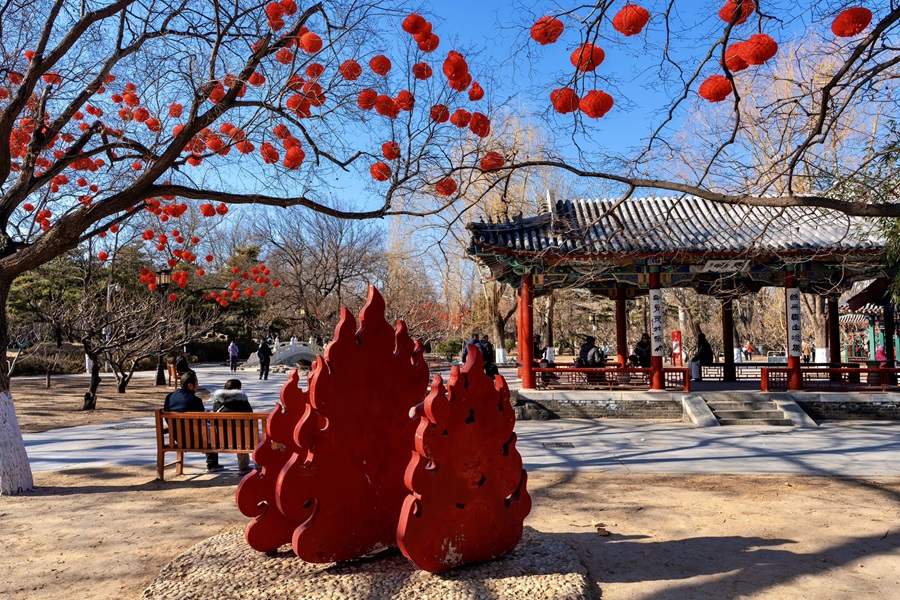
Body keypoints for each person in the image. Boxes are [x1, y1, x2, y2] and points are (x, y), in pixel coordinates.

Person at [163, 371, 222, 472]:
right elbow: (203, 420)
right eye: (196, 383)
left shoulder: (169, 397)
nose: (197, 385)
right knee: (210, 429)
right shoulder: (195, 400)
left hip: (177, 437)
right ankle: (212, 464)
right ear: (190, 385)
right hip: (195, 439)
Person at [211, 379, 254, 474]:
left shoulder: (217, 402)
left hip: (222, 439)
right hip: (242, 439)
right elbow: (251, 418)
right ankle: (245, 466)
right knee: (244, 435)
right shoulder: (242, 401)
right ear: (239, 389)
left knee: (240, 435)